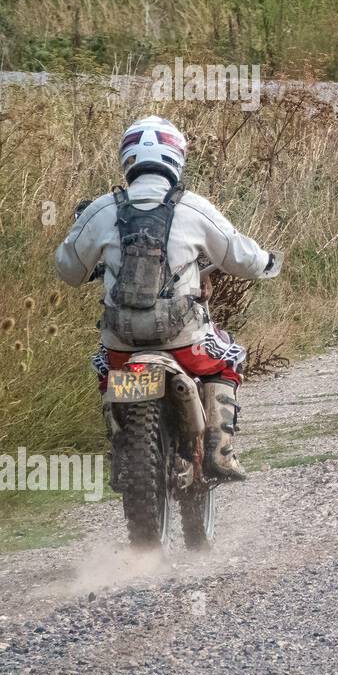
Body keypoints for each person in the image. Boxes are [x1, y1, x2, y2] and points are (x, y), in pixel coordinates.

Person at [55, 116, 279, 481]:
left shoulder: (100, 210)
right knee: (229, 357)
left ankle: (120, 451)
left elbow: (68, 270)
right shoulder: (193, 207)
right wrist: (266, 262)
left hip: (121, 343)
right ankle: (220, 451)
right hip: (182, 342)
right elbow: (240, 257)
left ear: (126, 158)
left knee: (104, 368)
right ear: (176, 157)